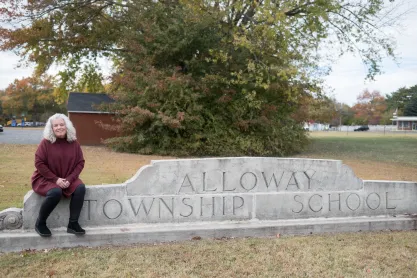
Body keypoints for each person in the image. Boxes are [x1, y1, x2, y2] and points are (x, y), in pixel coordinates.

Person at [31, 113, 86, 237]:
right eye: (55, 125)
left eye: (62, 124)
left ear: (67, 126)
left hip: (68, 178)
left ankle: (73, 224)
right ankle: (40, 223)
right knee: (56, 192)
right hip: (46, 178)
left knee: (80, 188)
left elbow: (80, 163)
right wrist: (55, 179)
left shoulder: (74, 143)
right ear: (51, 128)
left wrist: (70, 179)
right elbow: (39, 163)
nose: (59, 127)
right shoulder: (45, 143)